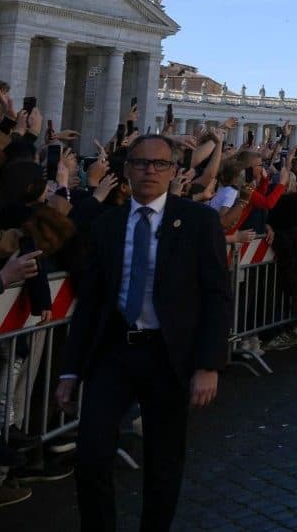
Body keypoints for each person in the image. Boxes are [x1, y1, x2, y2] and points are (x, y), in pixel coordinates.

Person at [56, 134, 232, 531]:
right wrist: (70, 371)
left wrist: (209, 364)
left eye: (159, 164)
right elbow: (92, 302)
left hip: (169, 356)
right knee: (91, 454)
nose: (149, 171)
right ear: (127, 170)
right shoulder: (108, 223)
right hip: (114, 351)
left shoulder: (199, 221)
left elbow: (217, 295)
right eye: (140, 163)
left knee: (163, 461)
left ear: (173, 172)